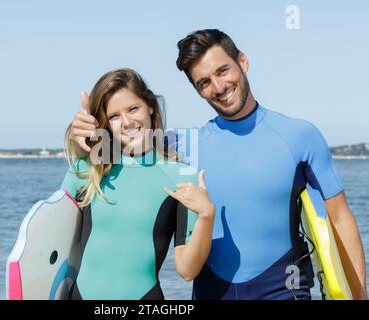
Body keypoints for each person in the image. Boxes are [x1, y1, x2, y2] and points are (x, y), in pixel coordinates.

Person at [68, 29, 367, 300]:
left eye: (223, 71)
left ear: (243, 61)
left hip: (283, 291)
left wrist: (358, 293)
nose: (219, 87)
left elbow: (339, 218)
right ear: (197, 90)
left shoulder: (300, 136)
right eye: (204, 83)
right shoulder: (181, 146)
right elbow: (120, 153)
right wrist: (85, 134)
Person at [61, 68, 215, 300]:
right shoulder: (87, 171)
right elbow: (54, 244)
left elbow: (187, 270)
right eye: (114, 116)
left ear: (150, 106)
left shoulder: (181, 177)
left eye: (133, 109)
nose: (126, 122)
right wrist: (77, 137)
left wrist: (206, 214)